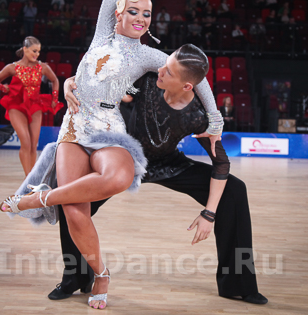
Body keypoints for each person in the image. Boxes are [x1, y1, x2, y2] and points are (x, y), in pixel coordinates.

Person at [0, 0, 223, 310]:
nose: (141, 18)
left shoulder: (149, 55)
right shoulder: (103, 31)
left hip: (107, 128)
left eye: (147, 14)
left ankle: (37, 198)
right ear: (118, 13)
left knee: (119, 176)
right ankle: (100, 273)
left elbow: (196, 76)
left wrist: (215, 117)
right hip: (74, 127)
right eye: (133, 11)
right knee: (75, 212)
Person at [15, 45, 266, 306]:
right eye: (164, 65)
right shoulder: (145, 83)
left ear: (187, 86)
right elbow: (97, 83)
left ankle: (238, 285)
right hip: (125, 158)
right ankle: (76, 277)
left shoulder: (199, 115)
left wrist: (209, 213)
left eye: (169, 71)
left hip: (168, 164)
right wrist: (70, 83)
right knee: (72, 195)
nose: (160, 70)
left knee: (235, 191)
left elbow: (221, 164)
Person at [0, 36, 63, 175]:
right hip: (16, 106)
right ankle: (27, 178)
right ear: (25, 49)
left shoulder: (42, 67)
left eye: (38, 51)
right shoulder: (12, 67)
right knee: (25, 142)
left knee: (33, 144)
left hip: (35, 105)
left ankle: (32, 177)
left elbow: (55, 80)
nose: (37, 54)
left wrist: (54, 97)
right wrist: (3, 88)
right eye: (34, 51)